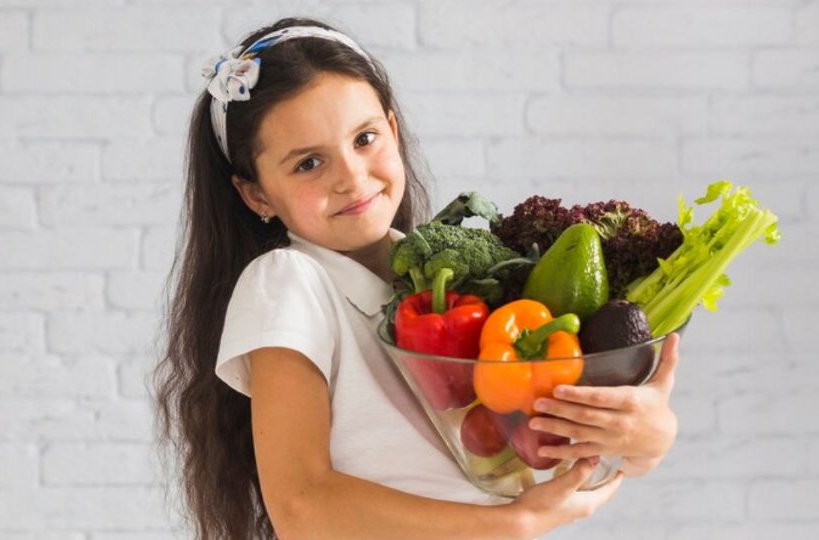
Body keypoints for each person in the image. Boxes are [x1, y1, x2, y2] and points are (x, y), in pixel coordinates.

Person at [154, 16, 681, 540]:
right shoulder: (288, 281)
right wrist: (511, 523)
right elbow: (301, 504)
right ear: (256, 194)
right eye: (309, 163)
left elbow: (529, 440)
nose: (352, 176)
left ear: (394, 129)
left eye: (364, 138)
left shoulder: (467, 285)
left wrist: (647, 439)